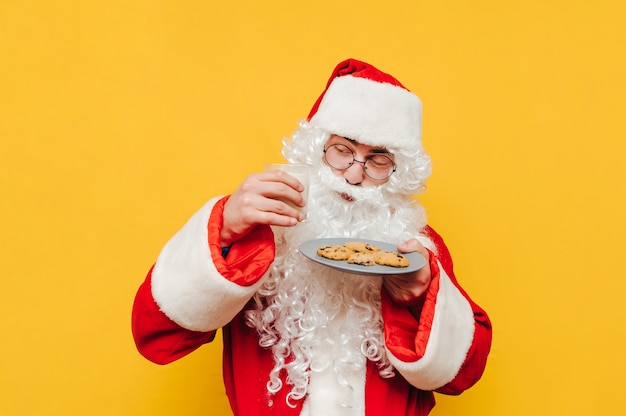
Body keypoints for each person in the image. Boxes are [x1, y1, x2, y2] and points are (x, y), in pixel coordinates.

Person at [131, 58, 492, 416]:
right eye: (342, 150)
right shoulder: (259, 226)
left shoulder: (414, 247)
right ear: (315, 149)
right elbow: (156, 336)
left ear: (398, 173)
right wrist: (224, 226)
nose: (353, 176)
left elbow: (462, 374)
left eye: (378, 159)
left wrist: (416, 300)